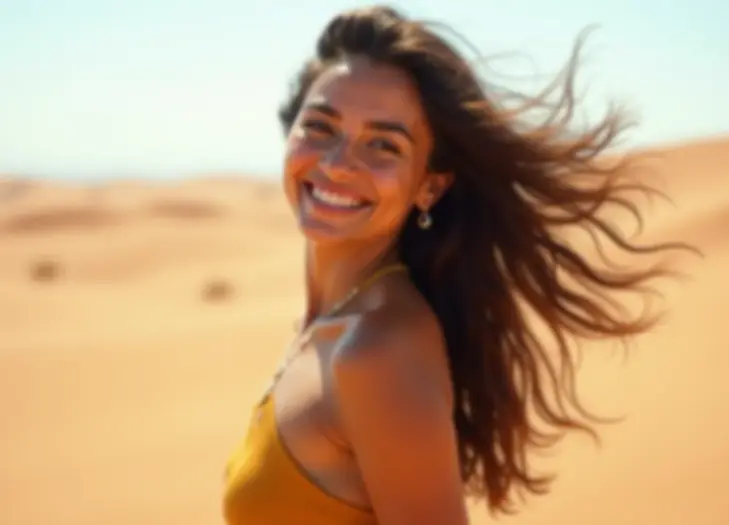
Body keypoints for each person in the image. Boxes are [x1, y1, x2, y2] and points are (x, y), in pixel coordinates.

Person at [222, 5, 690, 525]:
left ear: (430, 184)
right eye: (320, 126)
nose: (336, 163)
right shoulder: (331, 326)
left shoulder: (375, 354)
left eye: (383, 144)